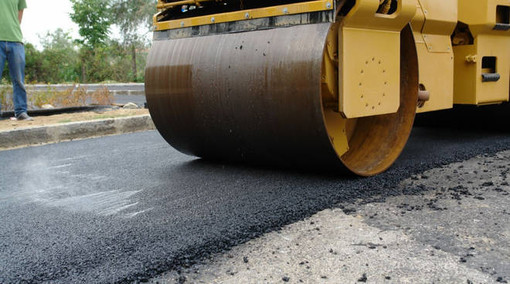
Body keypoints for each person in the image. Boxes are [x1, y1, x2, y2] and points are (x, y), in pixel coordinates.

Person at [0, 0, 33, 121]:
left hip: (16, 40)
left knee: (19, 80)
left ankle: (21, 112)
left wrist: (13, 29)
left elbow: (20, 13)